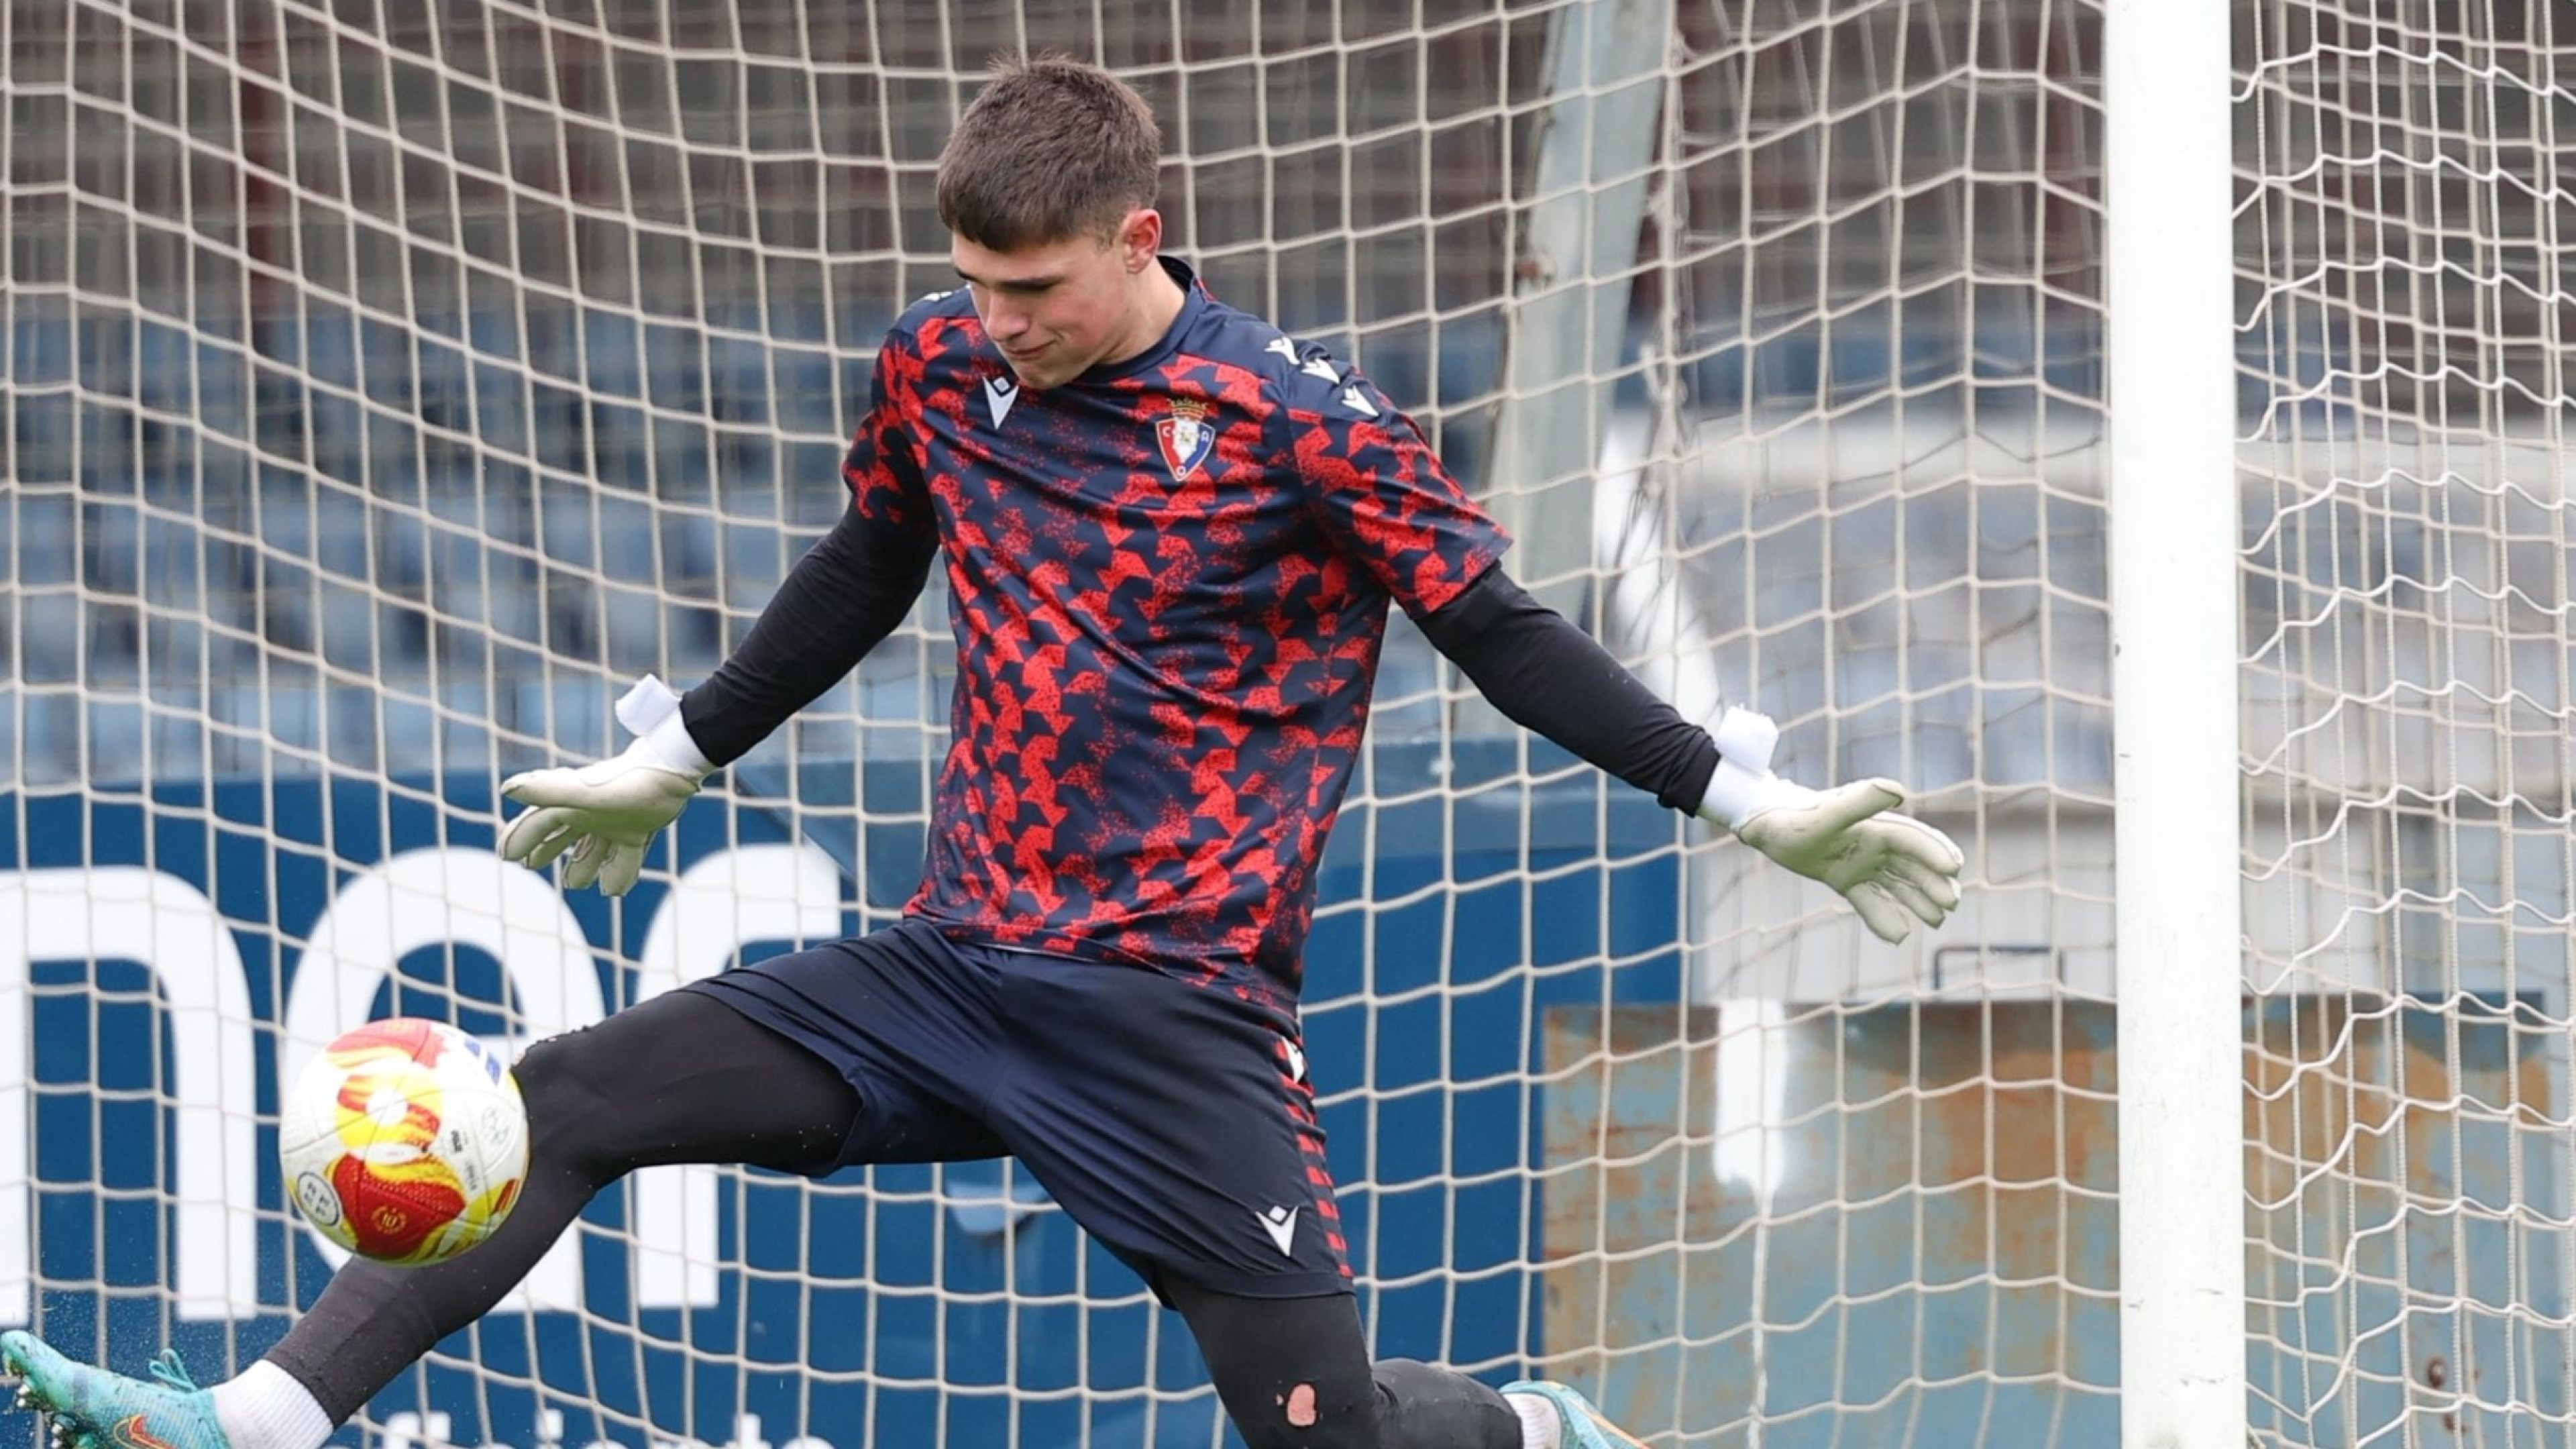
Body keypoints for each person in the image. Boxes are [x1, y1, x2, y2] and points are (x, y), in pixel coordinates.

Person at [3, 55, 1962, 1449]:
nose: (996, 320)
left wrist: (1753, 802)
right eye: (974, 281)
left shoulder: (1304, 425)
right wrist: (679, 752)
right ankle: (257, 1416)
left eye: (1034, 288)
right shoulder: (943, 366)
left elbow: (1509, 638)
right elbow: (869, 556)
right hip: (943, 972)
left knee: (1325, 1435)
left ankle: (1533, 1428)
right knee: (561, 1100)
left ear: (1137, 238)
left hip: (1173, 1014)